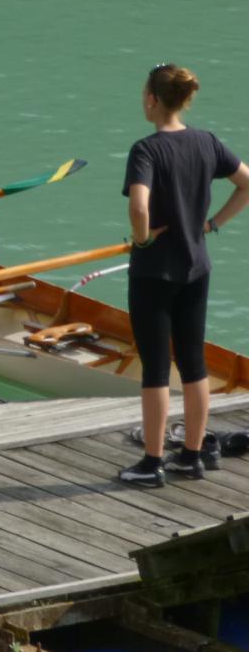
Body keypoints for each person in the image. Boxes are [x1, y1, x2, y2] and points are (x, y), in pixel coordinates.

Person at [117, 64, 249, 488]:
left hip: (154, 272)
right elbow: (247, 183)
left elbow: (139, 208)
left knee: (155, 368)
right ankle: (191, 456)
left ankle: (152, 462)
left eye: (143, 94)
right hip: (197, 266)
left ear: (153, 100)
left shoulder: (146, 150)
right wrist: (212, 224)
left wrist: (140, 240)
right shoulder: (207, 142)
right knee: (194, 364)